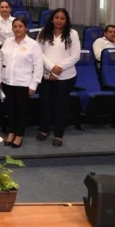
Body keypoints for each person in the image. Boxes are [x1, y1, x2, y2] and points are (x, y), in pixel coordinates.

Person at [0, 18, 43, 149]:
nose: (17, 29)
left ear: (26, 28)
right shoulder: (7, 41)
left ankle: (19, 135)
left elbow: (38, 66)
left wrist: (34, 85)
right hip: (7, 81)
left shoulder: (33, 44)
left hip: (23, 83)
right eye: (15, 26)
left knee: (21, 111)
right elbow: (0, 61)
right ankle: (11, 132)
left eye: (20, 26)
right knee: (10, 110)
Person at [37, 8, 80, 147]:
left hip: (66, 77)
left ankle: (58, 135)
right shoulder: (43, 32)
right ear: (52, 19)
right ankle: (44, 130)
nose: (59, 20)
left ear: (66, 20)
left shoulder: (73, 33)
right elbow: (38, 53)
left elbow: (75, 56)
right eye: (57, 17)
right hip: (46, 75)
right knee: (45, 104)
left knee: (60, 106)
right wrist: (51, 67)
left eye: (62, 18)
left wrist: (57, 70)